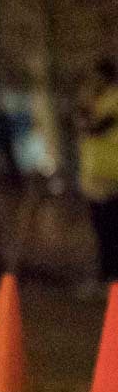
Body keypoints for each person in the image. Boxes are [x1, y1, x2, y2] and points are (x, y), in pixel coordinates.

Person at [78, 58, 118, 290]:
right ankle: (106, 274)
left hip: (112, 174)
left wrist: (86, 115)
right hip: (95, 176)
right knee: (101, 229)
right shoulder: (94, 98)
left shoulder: (113, 98)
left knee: (111, 227)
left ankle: (112, 274)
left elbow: (97, 126)